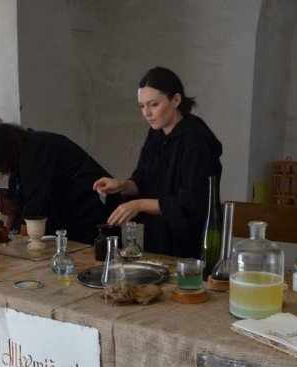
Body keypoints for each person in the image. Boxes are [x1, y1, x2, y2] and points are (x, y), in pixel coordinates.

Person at [93, 66, 223, 258]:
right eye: (142, 106)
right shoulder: (156, 133)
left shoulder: (196, 140)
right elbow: (144, 180)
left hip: (190, 245)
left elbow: (192, 202)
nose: (147, 113)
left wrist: (139, 205)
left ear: (176, 100)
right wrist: (121, 185)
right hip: (158, 239)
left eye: (153, 104)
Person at [0, 119, 119, 244]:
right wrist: (12, 208)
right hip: (67, 224)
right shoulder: (20, 157)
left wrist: (18, 248)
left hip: (92, 220)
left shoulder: (37, 150)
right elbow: (20, 202)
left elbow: (35, 210)